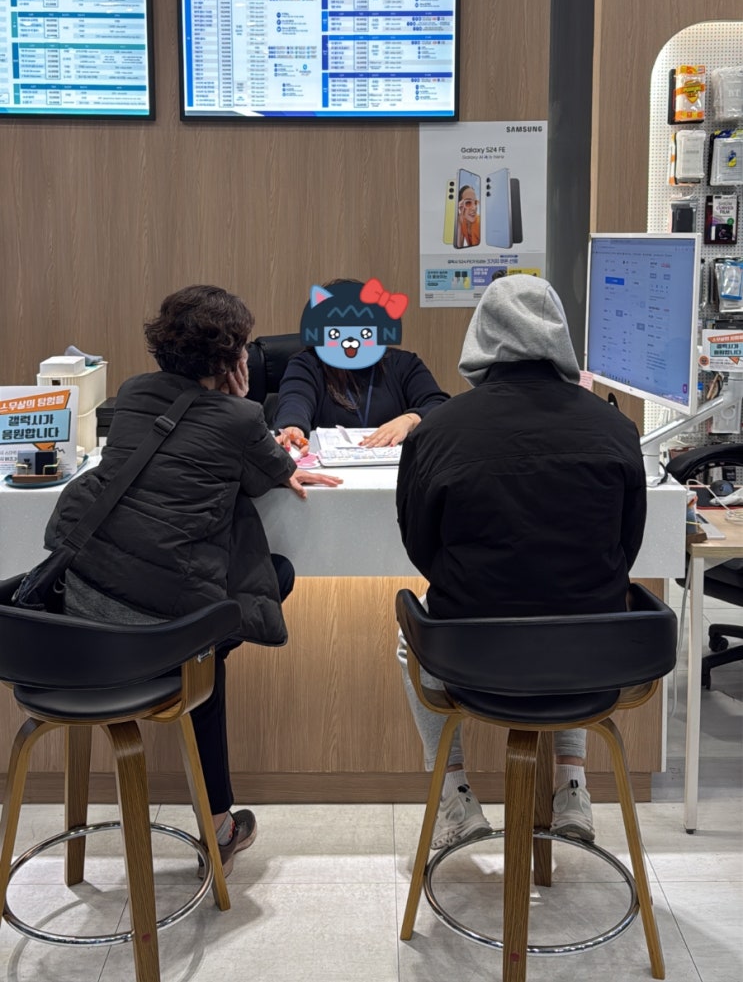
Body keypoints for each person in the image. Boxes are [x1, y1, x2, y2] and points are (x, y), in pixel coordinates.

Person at [44, 285, 341, 875]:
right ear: (232, 358)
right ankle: (219, 821)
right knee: (264, 586)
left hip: (80, 612)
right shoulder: (241, 417)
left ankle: (221, 813)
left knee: (211, 641)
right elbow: (271, 474)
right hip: (157, 633)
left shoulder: (135, 393)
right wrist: (244, 407)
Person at [396, 273, 647, 848]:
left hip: (473, 651)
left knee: (411, 638)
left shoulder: (437, 430)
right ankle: (573, 786)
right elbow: (625, 546)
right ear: (559, 336)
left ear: (480, 336)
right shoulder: (615, 427)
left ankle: (455, 796)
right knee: (581, 614)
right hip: (593, 658)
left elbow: (421, 546)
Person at [274, 277, 449, 449]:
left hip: (395, 463)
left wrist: (410, 420)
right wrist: (293, 428)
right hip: (328, 463)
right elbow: (295, 399)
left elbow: (439, 405)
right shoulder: (307, 364)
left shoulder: (403, 363)